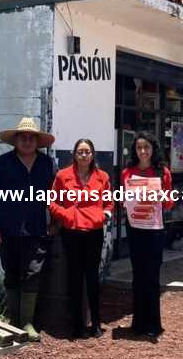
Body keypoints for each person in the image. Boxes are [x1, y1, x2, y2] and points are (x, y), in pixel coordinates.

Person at [0, 117, 56, 342]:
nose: (27, 141)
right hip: (8, 230)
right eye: (22, 137)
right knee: (11, 274)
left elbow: (58, 195)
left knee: (33, 274)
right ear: (15, 140)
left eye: (31, 138)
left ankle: (27, 323)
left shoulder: (47, 164)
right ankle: (13, 321)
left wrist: (56, 222)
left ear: (37, 141)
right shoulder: (3, 163)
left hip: (37, 230)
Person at [49, 139, 113, 339]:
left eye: (87, 152)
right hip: (72, 232)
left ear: (93, 154)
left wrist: (104, 216)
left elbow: (109, 202)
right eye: (80, 152)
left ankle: (96, 323)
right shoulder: (63, 176)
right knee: (74, 278)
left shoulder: (102, 177)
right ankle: (76, 324)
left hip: (94, 232)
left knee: (93, 278)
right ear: (74, 155)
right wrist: (67, 216)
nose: (84, 155)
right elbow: (52, 201)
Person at [121, 133, 174, 340]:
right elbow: (122, 199)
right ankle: (138, 322)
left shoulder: (163, 172)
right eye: (139, 147)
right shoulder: (127, 172)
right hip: (134, 228)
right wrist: (124, 200)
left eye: (147, 147)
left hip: (154, 229)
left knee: (152, 276)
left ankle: (153, 324)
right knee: (138, 276)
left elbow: (169, 203)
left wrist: (162, 197)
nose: (143, 151)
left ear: (153, 149)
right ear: (135, 150)